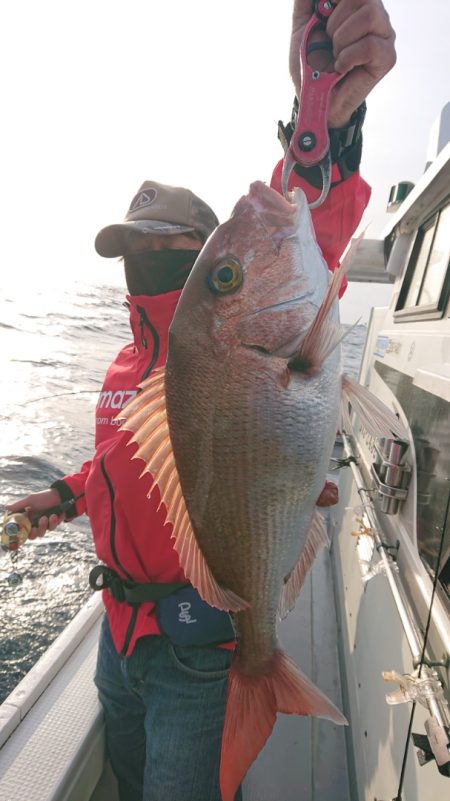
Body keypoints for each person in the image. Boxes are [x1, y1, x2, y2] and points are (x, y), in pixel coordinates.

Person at [6, 1, 396, 799]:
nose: (142, 254)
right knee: (124, 773)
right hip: (119, 638)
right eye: (131, 244)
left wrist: (328, 119)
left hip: (195, 644)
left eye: (163, 243)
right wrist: (63, 494)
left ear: (205, 251)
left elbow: (312, 230)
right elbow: (121, 465)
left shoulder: (232, 329)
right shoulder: (127, 364)